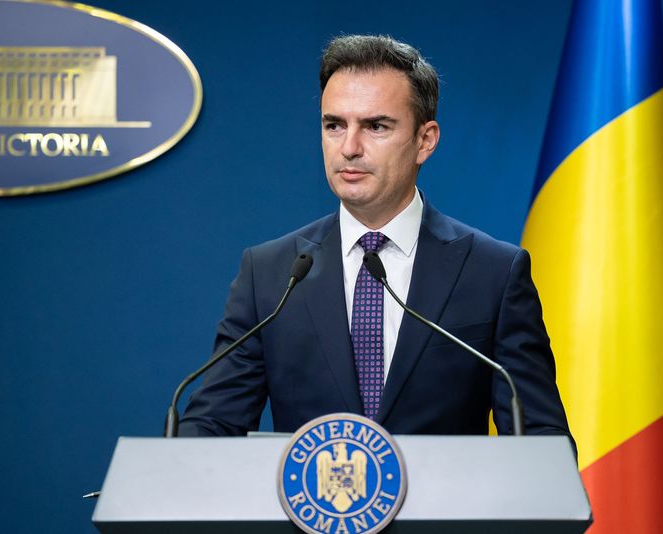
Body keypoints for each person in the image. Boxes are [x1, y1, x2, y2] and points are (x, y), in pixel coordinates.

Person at [179, 35, 573, 446]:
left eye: (376, 126)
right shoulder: (271, 274)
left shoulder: (492, 272)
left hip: (443, 491)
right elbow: (211, 425)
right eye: (334, 125)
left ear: (425, 140)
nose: (349, 148)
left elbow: (540, 439)